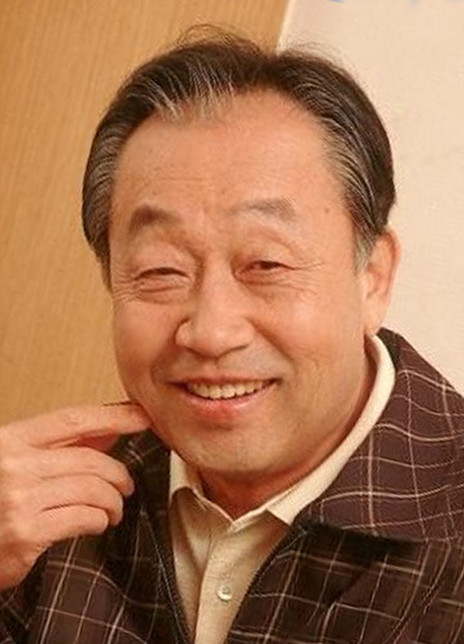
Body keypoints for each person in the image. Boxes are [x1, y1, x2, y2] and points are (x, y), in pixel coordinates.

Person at [0, 30, 463, 644]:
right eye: (161, 270)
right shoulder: (43, 515)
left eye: (266, 264)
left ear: (372, 278)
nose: (212, 332)